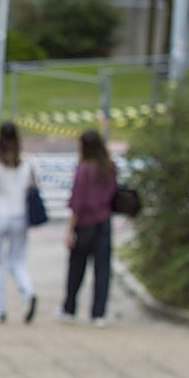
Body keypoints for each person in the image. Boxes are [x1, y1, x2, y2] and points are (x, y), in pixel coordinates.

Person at [0, 121, 37, 324]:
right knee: (18, 260)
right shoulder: (25, 165)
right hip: (19, 216)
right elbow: (31, 189)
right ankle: (27, 291)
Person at [60, 128, 118, 326]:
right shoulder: (109, 168)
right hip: (104, 221)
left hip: (85, 222)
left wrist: (69, 228)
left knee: (77, 266)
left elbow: (77, 200)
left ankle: (69, 307)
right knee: (102, 269)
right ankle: (98, 313)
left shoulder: (83, 169)